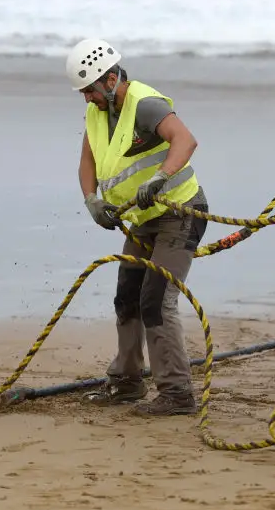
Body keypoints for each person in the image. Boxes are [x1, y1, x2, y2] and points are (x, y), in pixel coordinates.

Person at [67, 38, 209, 416]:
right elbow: (87, 162)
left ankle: (177, 393)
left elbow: (185, 140)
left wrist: (161, 178)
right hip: (143, 221)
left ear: (111, 80)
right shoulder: (97, 113)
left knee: (156, 300)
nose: (87, 99)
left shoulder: (145, 104)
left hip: (180, 214)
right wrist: (92, 200)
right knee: (127, 297)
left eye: (89, 90)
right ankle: (127, 382)